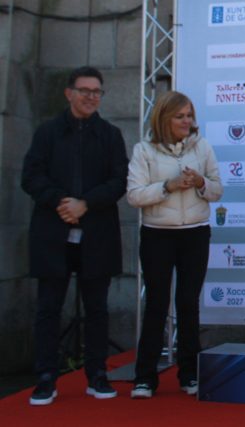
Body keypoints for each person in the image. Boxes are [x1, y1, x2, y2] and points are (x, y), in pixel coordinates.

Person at [21, 66, 128, 405]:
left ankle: (97, 375)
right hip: (53, 234)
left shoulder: (110, 135)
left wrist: (86, 204)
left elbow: (119, 181)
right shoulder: (47, 133)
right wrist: (62, 202)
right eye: (85, 91)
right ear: (69, 93)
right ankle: (45, 378)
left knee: (97, 309)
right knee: (48, 308)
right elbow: (31, 176)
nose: (91, 97)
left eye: (97, 92)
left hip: (96, 235)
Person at [126, 91, 223, 398]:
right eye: (180, 116)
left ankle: (189, 374)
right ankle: (145, 377)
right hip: (157, 234)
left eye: (189, 115)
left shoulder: (202, 146)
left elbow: (217, 190)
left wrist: (201, 183)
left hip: (195, 233)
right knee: (156, 303)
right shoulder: (143, 150)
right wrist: (168, 186)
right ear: (164, 118)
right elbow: (134, 195)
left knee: (188, 303)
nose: (186, 121)